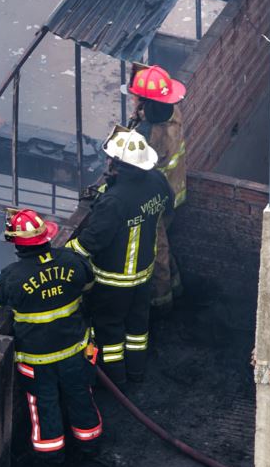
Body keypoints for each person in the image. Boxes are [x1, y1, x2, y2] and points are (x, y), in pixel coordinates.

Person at [0, 208, 101, 461]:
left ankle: (50, 459)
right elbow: (88, 283)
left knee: (44, 405)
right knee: (80, 395)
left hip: (38, 360)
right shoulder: (72, 260)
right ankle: (89, 445)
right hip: (76, 352)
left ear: (17, 245)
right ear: (46, 236)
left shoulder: (12, 276)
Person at [67, 128, 173, 383]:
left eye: (111, 159)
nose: (107, 163)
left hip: (114, 280)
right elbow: (167, 205)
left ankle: (115, 381)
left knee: (109, 329)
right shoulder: (157, 181)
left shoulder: (115, 201)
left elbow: (94, 240)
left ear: (120, 165)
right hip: (144, 272)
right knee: (137, 328)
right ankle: (136, 372)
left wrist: (64, 254)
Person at [128, 64, 187, 310]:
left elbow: (131, 169)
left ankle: (163, 303)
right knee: (166, 244)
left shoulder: (148, 134)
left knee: (157, 249)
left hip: (156, 200)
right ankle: (176, 286)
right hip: (174, 191)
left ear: (145, 103)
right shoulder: (172, 112)